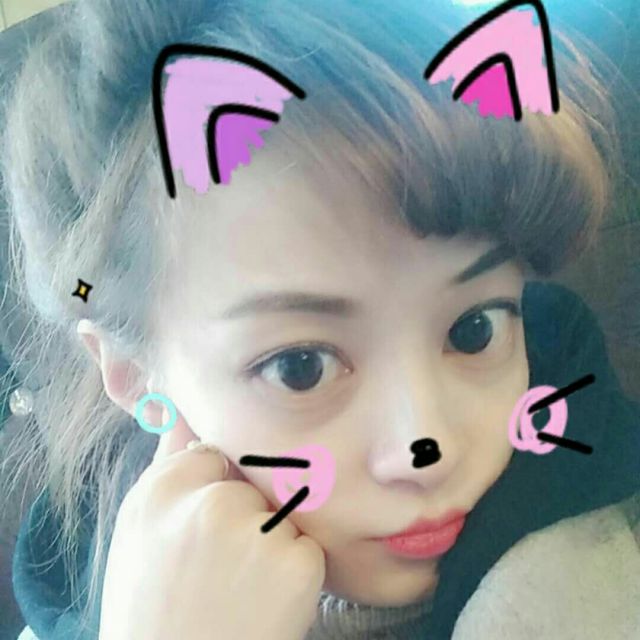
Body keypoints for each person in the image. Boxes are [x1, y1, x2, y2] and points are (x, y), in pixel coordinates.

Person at [1, 0, 638, 638]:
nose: (427, 451)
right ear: (133, 373)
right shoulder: (72, 597)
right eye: (301, 367)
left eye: (474, 330)